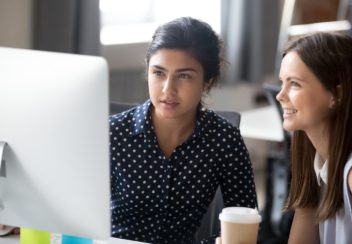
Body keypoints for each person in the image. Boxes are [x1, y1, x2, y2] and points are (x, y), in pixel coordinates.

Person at [109, 17, 258, 244]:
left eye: (184, 76)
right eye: (158, 73)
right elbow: (76, 215)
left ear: (207, 82)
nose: (168, 89)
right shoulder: (112, 134)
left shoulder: (224, 140)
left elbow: (245, 224)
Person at [276, 31, 352, 244]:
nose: (280, 95)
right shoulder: (315, 161)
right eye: (282, 82)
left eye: (294, 84)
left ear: (337, 95)